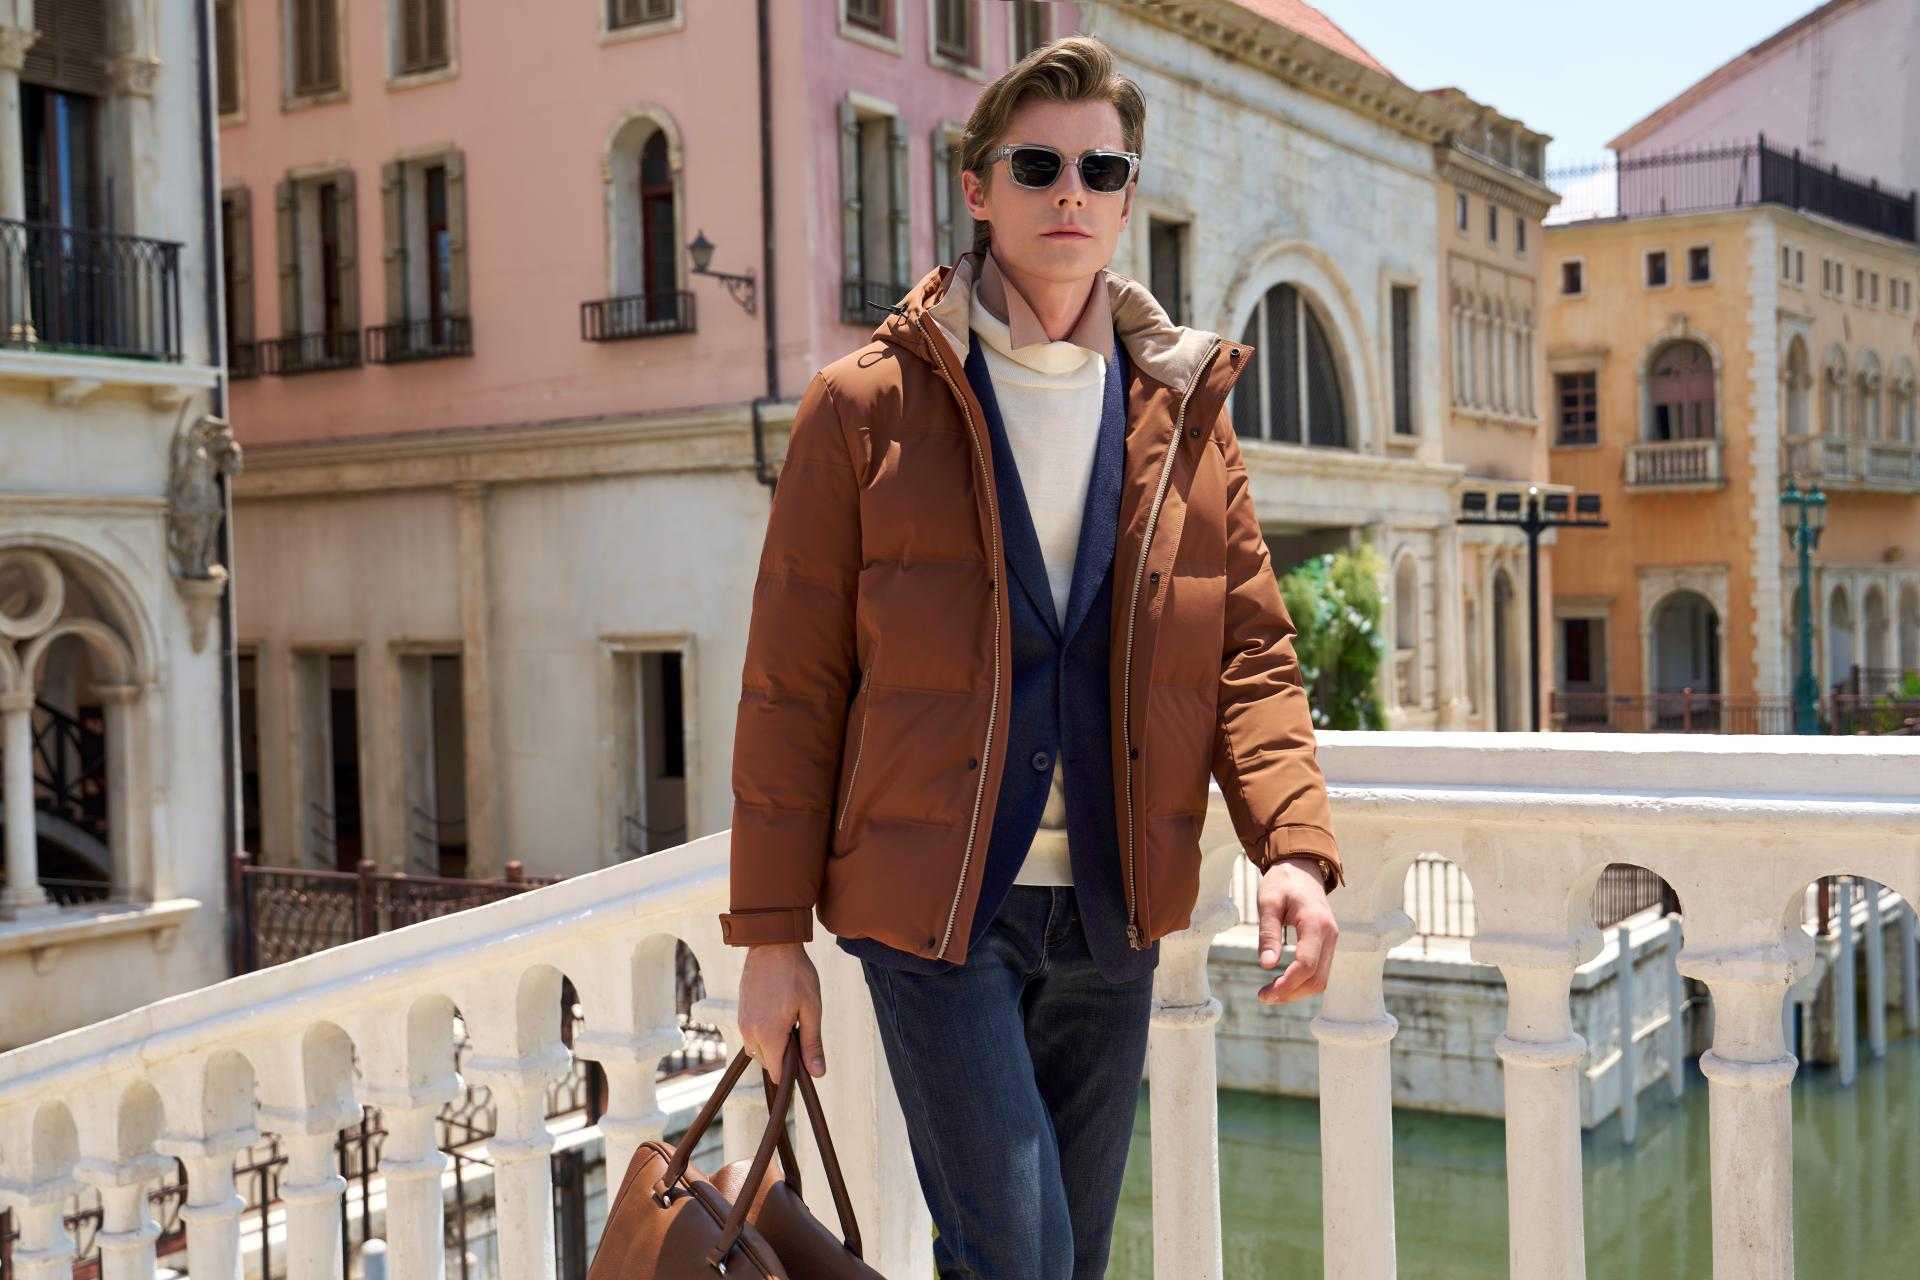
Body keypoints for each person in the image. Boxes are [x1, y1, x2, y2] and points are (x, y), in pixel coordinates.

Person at [717, 34, 1343, 1280]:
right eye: (1038, 164)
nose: (1072, 192)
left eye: (1102, 170)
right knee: (1021, 1251)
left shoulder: (1184, 412)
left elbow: (1249, 655)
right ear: (978, 187)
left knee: (1066, 1256)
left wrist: (1293, 845)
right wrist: (771, 937)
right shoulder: (865, 406)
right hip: (935, 908)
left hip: (1114, 906)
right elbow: (793, 686)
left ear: (1126, 197)